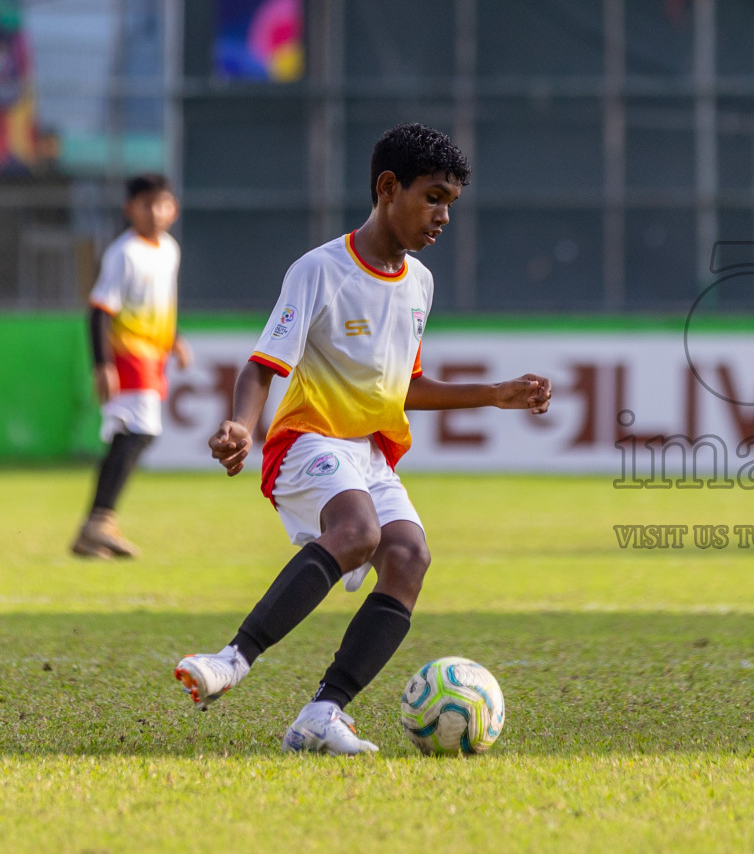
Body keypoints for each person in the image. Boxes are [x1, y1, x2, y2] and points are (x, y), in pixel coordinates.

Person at [174, 123, 552, 754]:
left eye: (450, 204)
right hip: (307, 439)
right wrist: (242, 423)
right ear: (387, 188)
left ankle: (323, 714)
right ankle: (231, 660)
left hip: (370, 452)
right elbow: (262, 364)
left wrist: (492, 394)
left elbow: (401, 384)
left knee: (408, 559)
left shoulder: (420, 284)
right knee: (359, 533)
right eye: (432, 197)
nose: (442, 216)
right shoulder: (319, 270)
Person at [72, 174, 192, 558]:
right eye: (147, 204)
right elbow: (98, 311)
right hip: (128, 355)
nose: (156, 212)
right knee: (139, 432)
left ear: (173, 208)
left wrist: (173, 339)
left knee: (133, 435)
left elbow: (158, 301)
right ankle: (99, 521)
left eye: (163, 204)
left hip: (153, 355)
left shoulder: (169, 249)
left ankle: (95, 525)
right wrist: (101, 365)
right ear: (130, 209)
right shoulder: (124, 253)